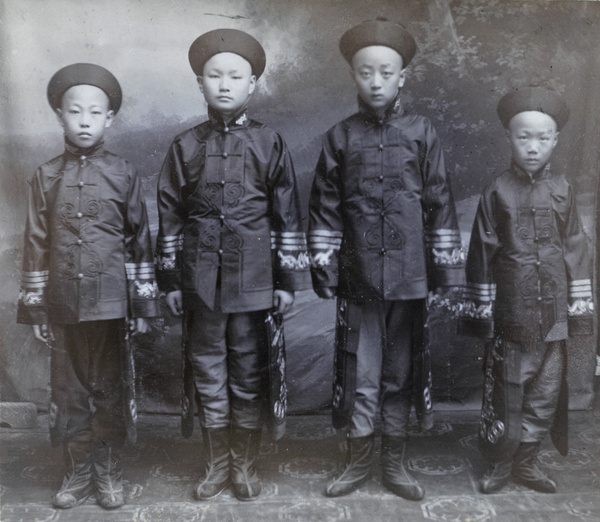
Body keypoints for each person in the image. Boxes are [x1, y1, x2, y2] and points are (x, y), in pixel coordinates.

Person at [308, 18, 464, 500]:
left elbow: (439, 199)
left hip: (410, 276)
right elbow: (324, 206)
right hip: (359, 278)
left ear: (403, 78)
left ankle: (394, 464)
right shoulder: (340, 137)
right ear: (353, 76)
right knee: (362, 368)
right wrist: (325, 267)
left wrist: (445, 270)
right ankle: (357, 461)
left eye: (386, 72)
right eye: (366, 72)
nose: (376, 81)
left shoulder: (422, 132)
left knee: (399, 371)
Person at [156, 29, 308, 502]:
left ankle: (244, 464)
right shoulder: (184, 146)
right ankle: (215, 463)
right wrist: (171, 281)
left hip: (255, 281)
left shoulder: (269, 143)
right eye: (214, 75)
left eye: (235, 76)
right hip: (201, 283)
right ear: (200, 82)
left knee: (247, 368)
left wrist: (287, 279)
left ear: (253, 84)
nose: (224, 84)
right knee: (207, 367)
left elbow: (287, 214)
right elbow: (169, 216)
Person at [17, 63, 159, 510]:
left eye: (94, 113)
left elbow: (140, 240)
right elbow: (36, 242)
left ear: (109, 118)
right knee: (70, 389)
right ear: (59, 115)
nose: (84, 120)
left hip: (112, 305)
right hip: (63, 303)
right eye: (74, 111)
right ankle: (77, 471)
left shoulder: (123, 173)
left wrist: (140, 306)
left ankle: (107, 469)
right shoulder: (46, 175)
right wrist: (38, 308)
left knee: (109, 387)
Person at [458, 86, 593, 494]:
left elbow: (575, 246)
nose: (532, 147)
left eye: (542, 137)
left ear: (556, 140)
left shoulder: (563, 190)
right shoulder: (497, 191)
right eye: (523, 136)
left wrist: (578, 304)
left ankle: (528, 462)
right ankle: (501, 461)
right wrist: (483, 312)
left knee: (546, 389)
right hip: (511, 311)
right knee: (508, 388)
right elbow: (481, 252)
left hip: (553, 314)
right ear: (508, 138)